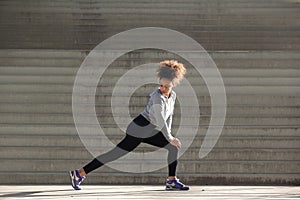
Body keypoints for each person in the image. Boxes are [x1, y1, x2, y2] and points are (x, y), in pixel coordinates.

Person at [69, 60, 189, 191]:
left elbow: (168, 116)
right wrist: (170, 138)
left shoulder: (173, 96)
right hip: (139, 127)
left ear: (173, 84)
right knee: (114, 154)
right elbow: (160, 119)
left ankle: (171, 181)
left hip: (149, 129)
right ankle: (79, 174)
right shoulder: (157, 97)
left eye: (166, 86)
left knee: (173, 148)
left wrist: (169, 136)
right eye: (160, 85)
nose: (162, 89)